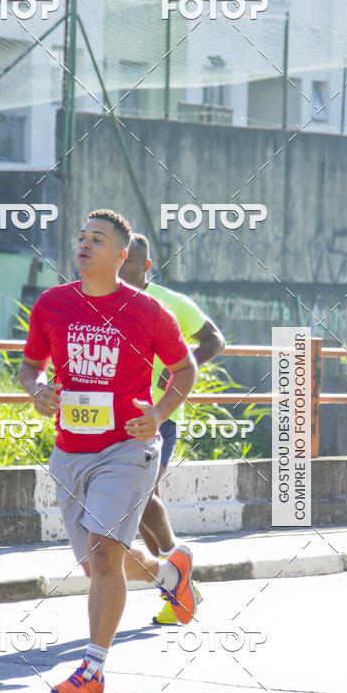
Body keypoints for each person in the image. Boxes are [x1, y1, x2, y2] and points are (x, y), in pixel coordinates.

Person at [18, 209, 198, 693]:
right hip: (71, 452)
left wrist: (159, 414)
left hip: (128, 448)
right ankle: (171, 573)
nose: (84, 245)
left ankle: (93, 670)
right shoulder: (52, 304)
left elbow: (185, 368)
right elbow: (30, 366)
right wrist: (37, 391)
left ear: (121, 256)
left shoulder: (147, 311)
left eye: (96, 239)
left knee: (103, 556)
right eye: (80, 237)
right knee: (100, 563)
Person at [118, 233, 226, 624]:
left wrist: (173, 371)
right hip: (115, 420)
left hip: (160, 419)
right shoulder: (101, 301)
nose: (122, 266)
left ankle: (180, 579)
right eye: (118, 258)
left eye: (130, 261)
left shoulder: (170, 304)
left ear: (145, 267)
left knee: (141, 494)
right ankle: (179, 587)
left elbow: (214, 340)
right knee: (146, 501)